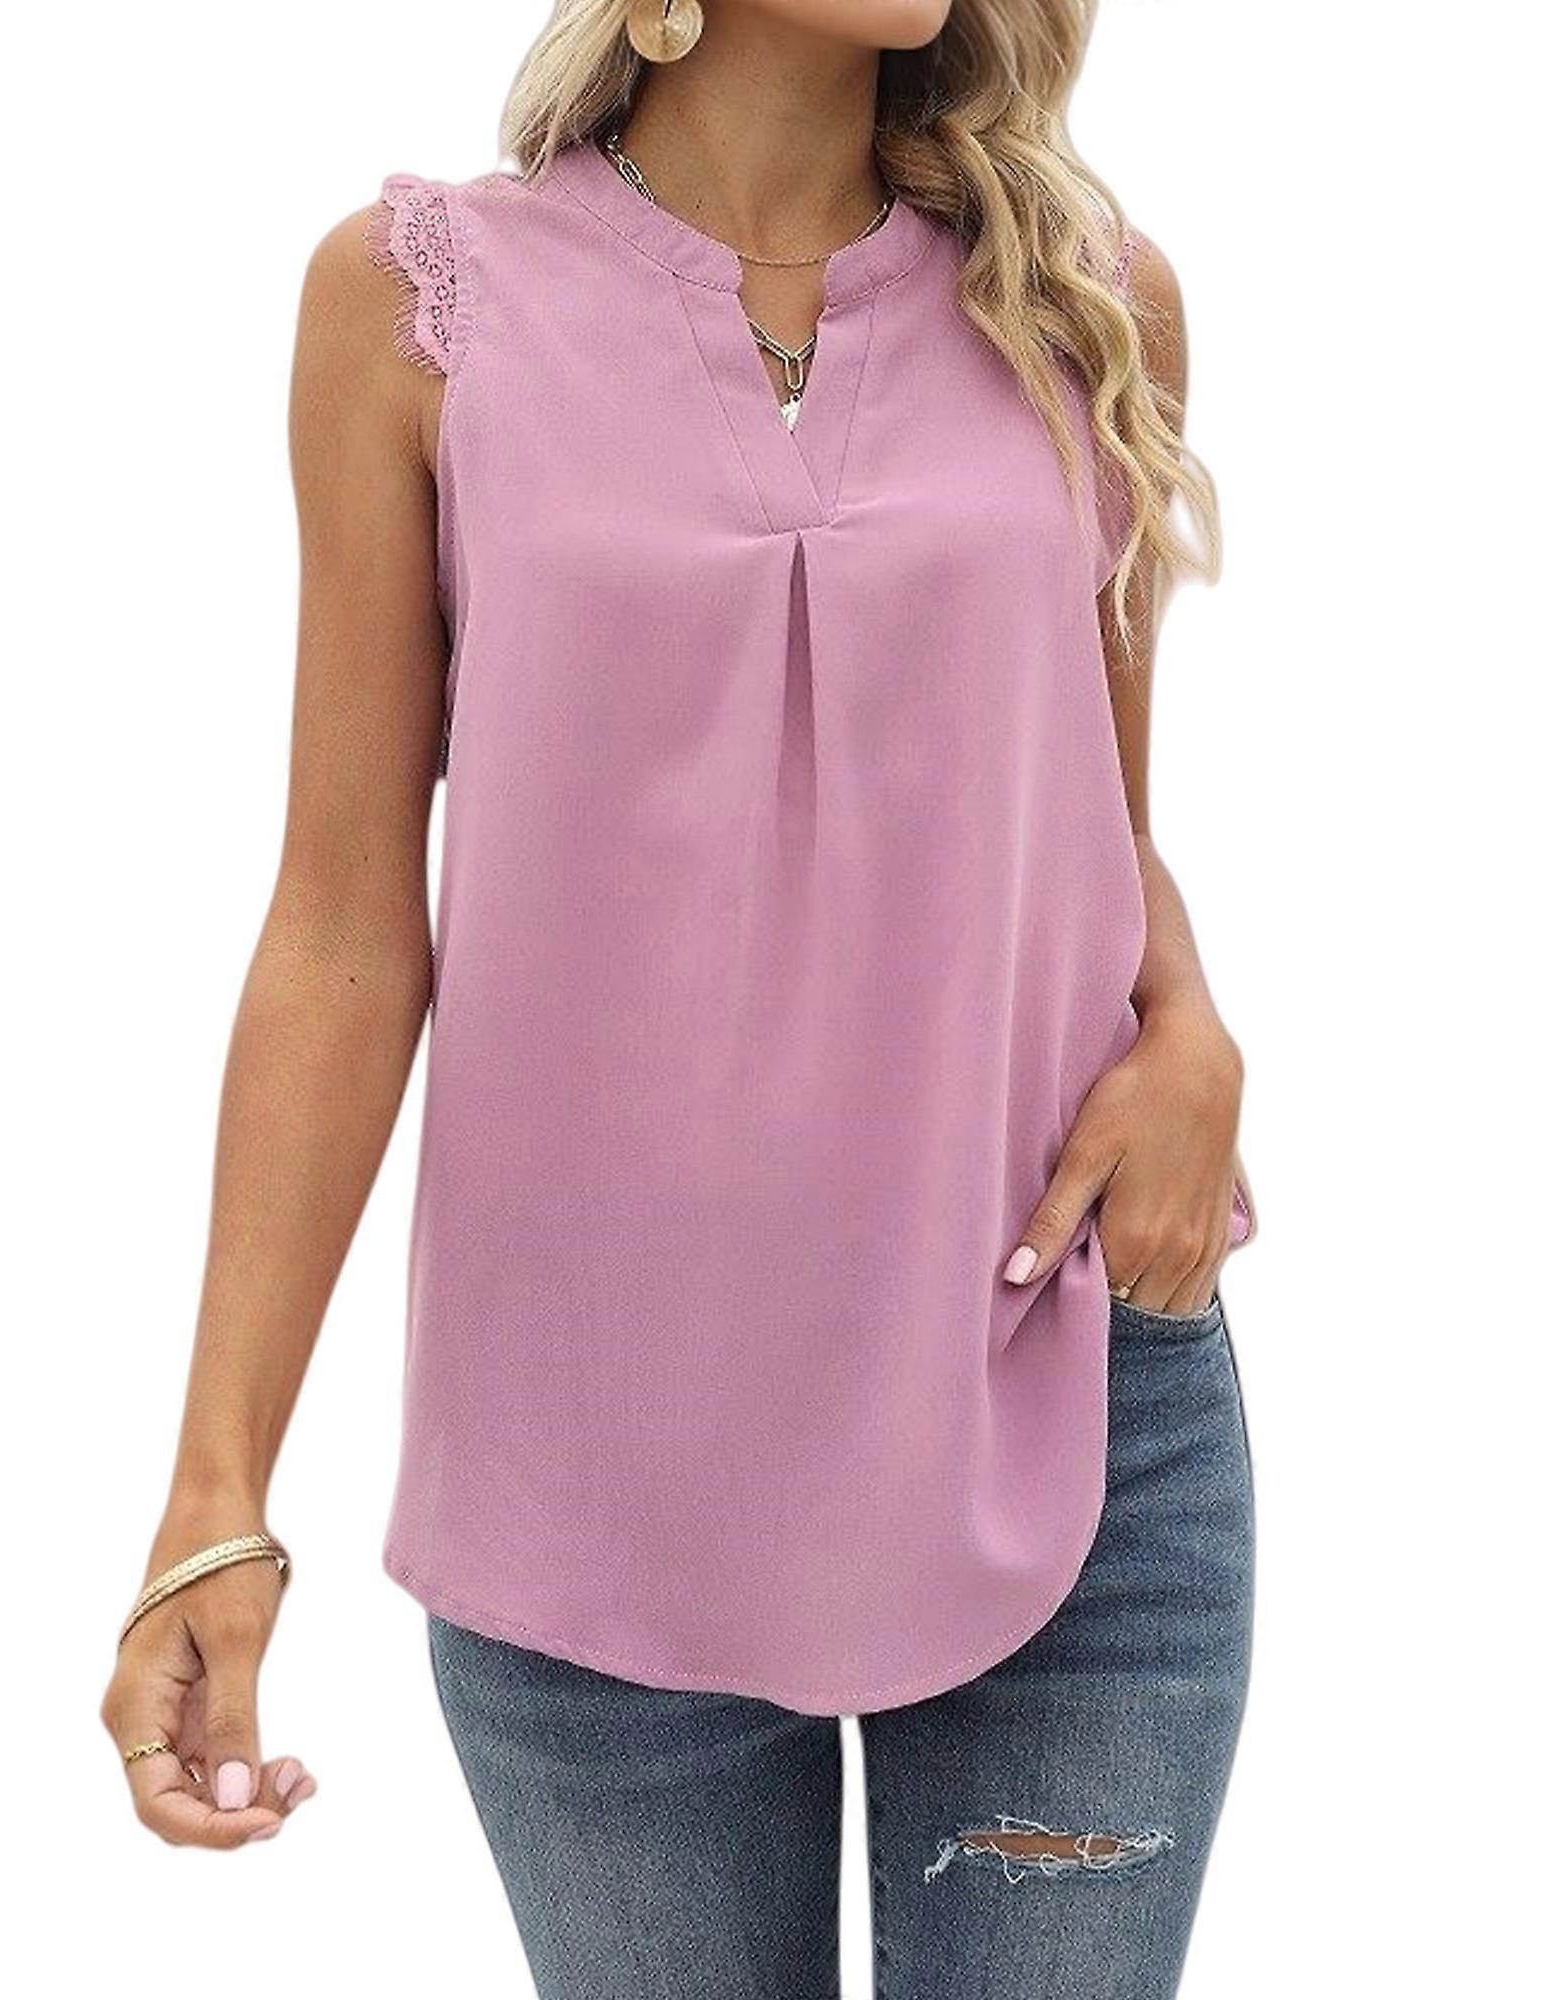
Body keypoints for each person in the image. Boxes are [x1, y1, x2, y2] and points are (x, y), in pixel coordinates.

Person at [100, 3, 1258, 1994]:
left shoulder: (1086, 302)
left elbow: (1084, 831)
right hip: (589, 1473)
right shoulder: (415, 312)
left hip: (1056, 1407)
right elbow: (345, 925)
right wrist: (216, 1494)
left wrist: (1195, 1034)